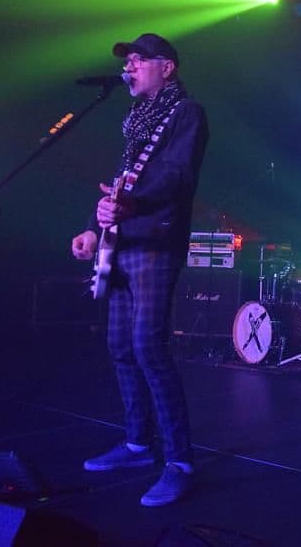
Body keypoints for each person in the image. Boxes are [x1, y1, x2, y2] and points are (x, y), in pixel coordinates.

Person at [70, 33, 208, 507]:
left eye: (137, 60)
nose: (128, 68)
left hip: (154, 243)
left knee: (149, 345)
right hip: (122, 242)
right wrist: (94, 228)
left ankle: (180, 462)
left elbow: (176, 175)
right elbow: (120, 182)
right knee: (119, 345)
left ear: (166, 67)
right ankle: (136, 444)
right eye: (126, 61)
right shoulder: (137, 123)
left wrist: (132, 203)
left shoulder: (185, 113)